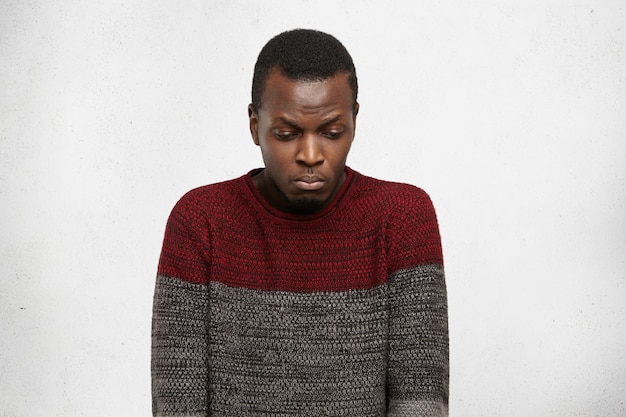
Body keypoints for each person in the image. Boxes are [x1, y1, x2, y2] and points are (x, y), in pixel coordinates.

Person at [151, 29, 448, 416]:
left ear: (354, 120)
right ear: (255, 125)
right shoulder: (200, 222)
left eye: (331, 132)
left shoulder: (402, 217)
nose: (310, 154)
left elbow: (420, 402)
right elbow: (178, 406)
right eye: (287, 134)